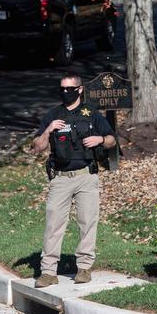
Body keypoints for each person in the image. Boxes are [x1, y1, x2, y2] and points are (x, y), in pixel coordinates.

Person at [32, 74, 116, 288]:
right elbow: (37, 147)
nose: (65, 92)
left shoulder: (92, 114)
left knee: (87, 222)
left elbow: (111, 140)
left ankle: (84, 268)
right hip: (60, 178)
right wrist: (49, 130)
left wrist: (100, 139)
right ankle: (49, 271)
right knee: (53, 224)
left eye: (70, 88)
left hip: (86, 176)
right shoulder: (53, 115)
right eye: (62, 88)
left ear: (79, 90)